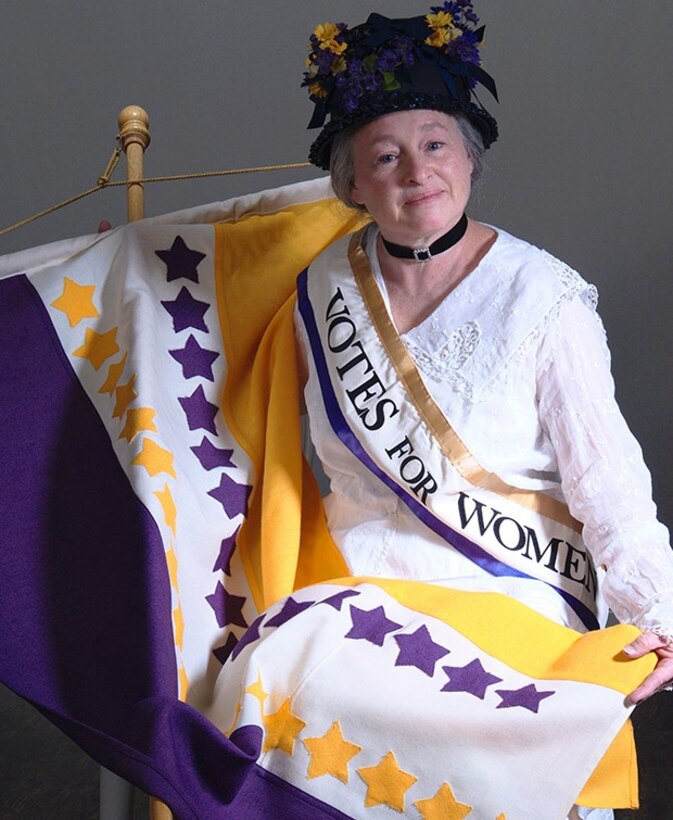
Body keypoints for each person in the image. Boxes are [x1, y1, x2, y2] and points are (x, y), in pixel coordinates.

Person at [208, 5, 673, 817]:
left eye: (433, 144)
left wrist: (657, 613)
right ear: (352, 184)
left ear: (468, 159)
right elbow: (221, 348)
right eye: (383, 155)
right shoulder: (321, 290)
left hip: (511, 586)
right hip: (361, 595)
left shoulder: (544, 296)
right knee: (263, 681)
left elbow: (608, 481)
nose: (413, 171)